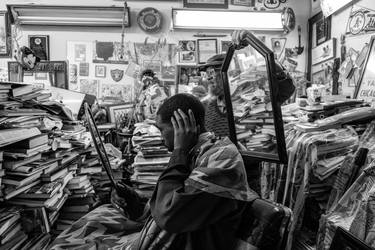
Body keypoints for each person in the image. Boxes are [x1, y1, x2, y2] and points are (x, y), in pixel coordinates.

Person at [50, 93, 258, 250]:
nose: (160, 138)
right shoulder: (199, 152)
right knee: (95, 218)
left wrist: (179, 151)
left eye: (162, 130)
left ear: (183, 126)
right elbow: (178, 199)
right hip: (170, 235)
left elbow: (170, 214)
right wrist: (137, 202)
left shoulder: (222, 157)